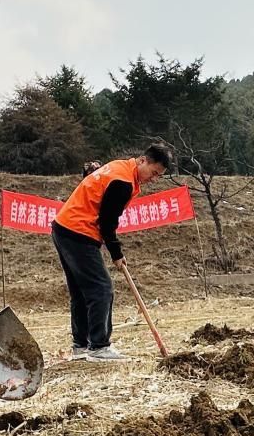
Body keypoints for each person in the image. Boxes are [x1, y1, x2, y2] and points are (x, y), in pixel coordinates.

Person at [52, 146, 172, 361]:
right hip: (78, 231)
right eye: (153, 173)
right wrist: (116, 253)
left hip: (63, 227)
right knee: (101, 289)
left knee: (81, 291)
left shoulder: (120, 167)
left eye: (158, 176)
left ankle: (81, 345)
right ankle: (99, 346)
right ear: (143, 160)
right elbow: (108, 222)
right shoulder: (123, 182)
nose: (153, 179)